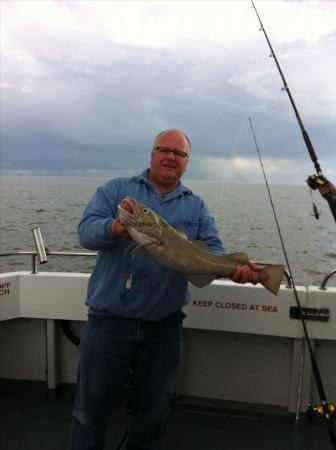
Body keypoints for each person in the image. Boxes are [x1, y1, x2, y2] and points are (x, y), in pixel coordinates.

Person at [68, 129, 261, 450]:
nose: (171, 157)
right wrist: (115, 228)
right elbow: (86, 233)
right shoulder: (118, 189)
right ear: (152, 154)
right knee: (90, 411)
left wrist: (236, 270)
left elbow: (212, 252)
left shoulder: (195, 206)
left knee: (153, 416)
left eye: (179, 153)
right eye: (164, 150)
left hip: (164, 327)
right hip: (108, 322)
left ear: (187, 163)